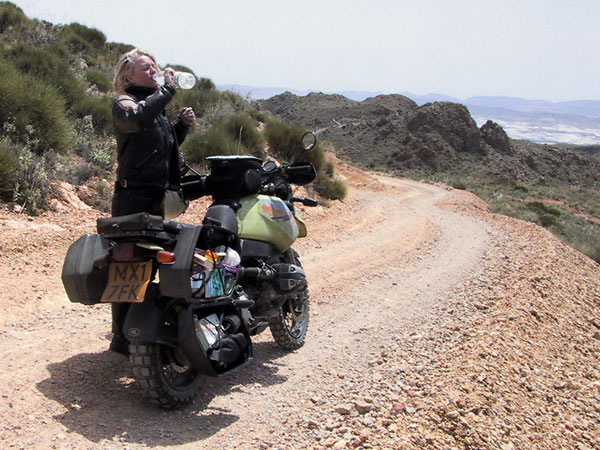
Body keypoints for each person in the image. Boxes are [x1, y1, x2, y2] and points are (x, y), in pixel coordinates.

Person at [109, 48, 196, 355]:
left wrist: (180, 128)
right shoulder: (125, 103)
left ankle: (153, 326)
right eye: (146, 68)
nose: (154, 71)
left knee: (158, 262)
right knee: (129, 268)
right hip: (132, 198)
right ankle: (121, 339)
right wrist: (169, 89)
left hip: (156, 198)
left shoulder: (155, 109)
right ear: (127, 76)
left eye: (154, 66)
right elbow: (136, 121)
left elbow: (164, 145)